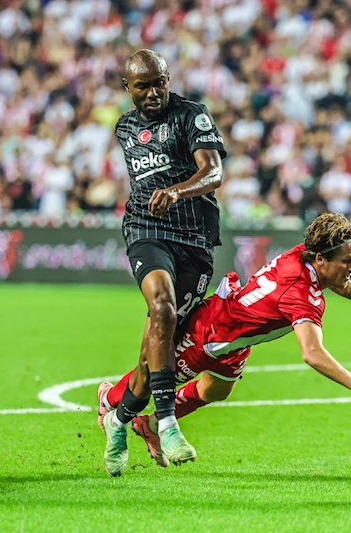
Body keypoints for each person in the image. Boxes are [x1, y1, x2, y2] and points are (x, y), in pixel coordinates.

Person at [97, 213, 351, 470]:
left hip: (237, 339)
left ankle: (150, 424)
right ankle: (110, 401)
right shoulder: (301, 295)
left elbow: (339, 280)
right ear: (320, 258)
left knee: (216, 389)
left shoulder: (303, 256)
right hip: (211, 334)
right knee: (155, 376)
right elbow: (312, 353)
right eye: (347, 260)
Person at [100, 49, 227, 476]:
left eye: (160, 82)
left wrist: (177, 191)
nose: (153, 92)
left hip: (194, 239)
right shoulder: (125, 127)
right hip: (146, 230)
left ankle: (117, 419)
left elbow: (213, 173)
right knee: (162, 307)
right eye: (143, 85)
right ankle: (168, 423)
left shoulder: (193, 116)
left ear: (168, 79)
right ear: (128, 88)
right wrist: (161, 198)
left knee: (154, 350)